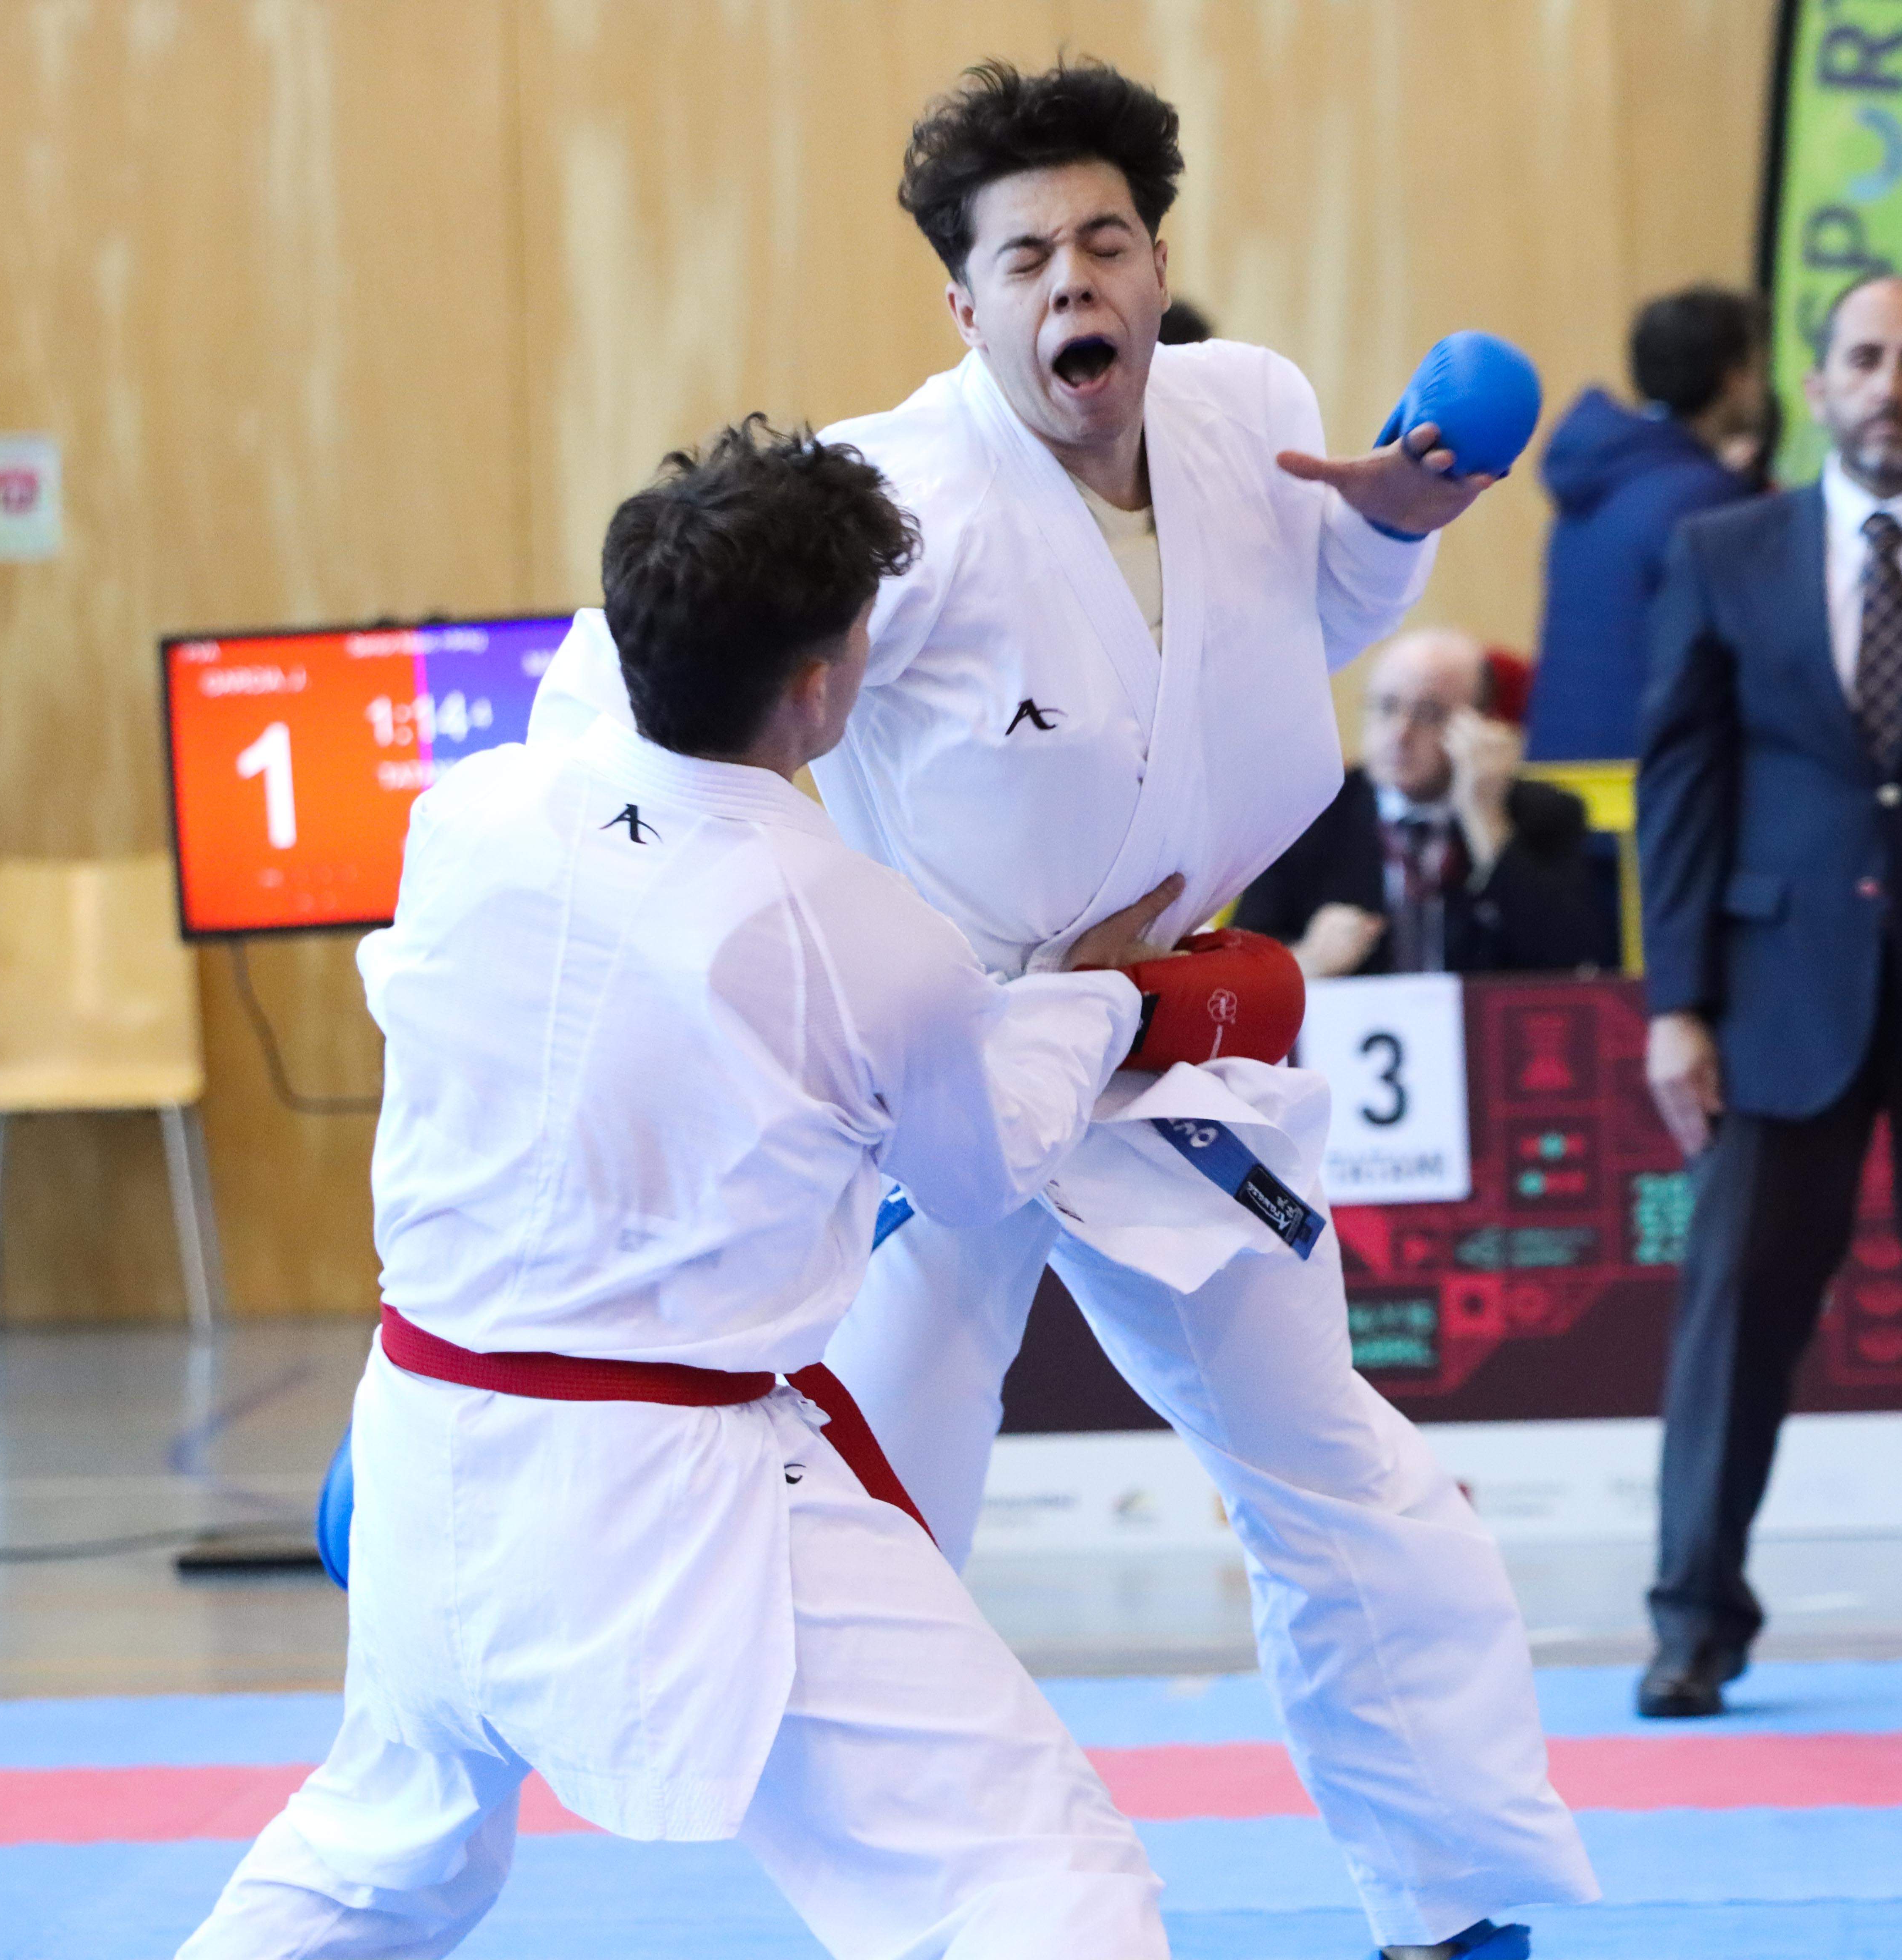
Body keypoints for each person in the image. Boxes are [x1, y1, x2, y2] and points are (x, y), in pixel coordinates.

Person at [539, 59, 1591, 1959]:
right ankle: (918, 1911)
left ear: (1153, 258)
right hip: (936, 1064)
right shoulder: (897, 501)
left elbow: (1305, 626)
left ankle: (1457, 1911)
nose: (1067, 278)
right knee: (867, 1510)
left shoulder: (1247, 412)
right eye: (1022, 253)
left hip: (1160, 1050)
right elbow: (640, 694)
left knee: (1344, 1474)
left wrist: (1402, 510)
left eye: (1102, 237)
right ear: (964, 303)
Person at [182, 421, 1177, 1959]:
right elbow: (978, 1171)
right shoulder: (857, 927)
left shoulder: (464, 816)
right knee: (1031, 1870)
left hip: (424, 1440)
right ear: (825, 683)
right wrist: (1103, 999)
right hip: (668, 1499)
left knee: (389, 1849)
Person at [1637, 271, 1902, 1721]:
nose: (1891, 384)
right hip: (1771, 998)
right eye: (1865, 356)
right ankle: (1694, 1624)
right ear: (1817, 381)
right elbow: (1680, 786)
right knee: (1734, 1324)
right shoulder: (1724, 553)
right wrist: (1679, 1001)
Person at [1235, 627, 1614, 977]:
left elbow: (1574, 963)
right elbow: (1241, 975)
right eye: (1386, 706)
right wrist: (1309, 962)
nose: (1400, 733)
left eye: (1429, 714)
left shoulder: (1544, 814)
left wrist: (1487, 819)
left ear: (1479, 726)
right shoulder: (1308, 814)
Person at [1531, 287, 1770, 762]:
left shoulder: (1599, 477)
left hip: (1564, 788)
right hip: (1655, 796)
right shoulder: (1712, 503)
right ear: (1734, 379)